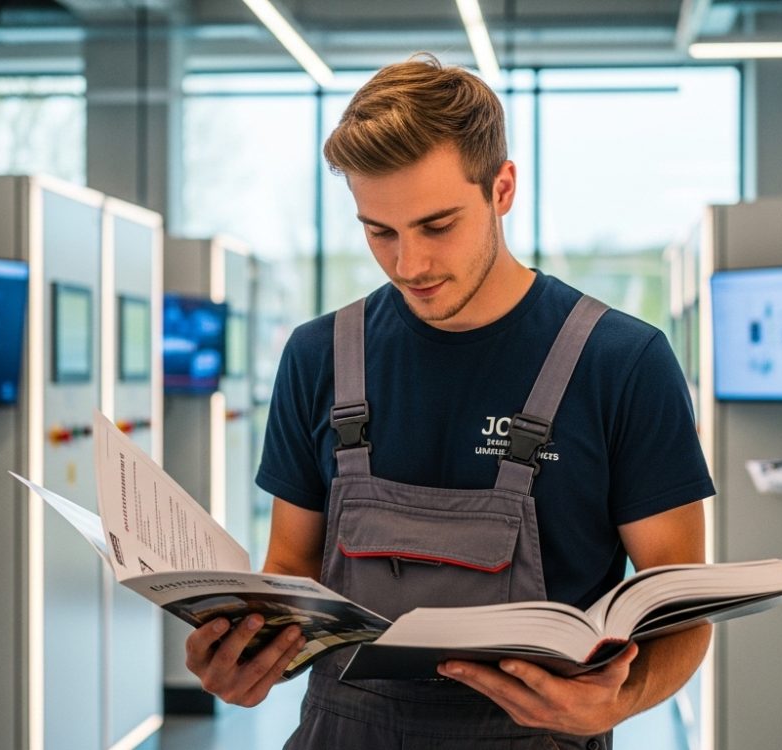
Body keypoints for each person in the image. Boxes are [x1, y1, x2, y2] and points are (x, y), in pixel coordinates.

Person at [185, 53, 716, 749]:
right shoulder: (318, 356)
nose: (409, 265)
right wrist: (247, 656)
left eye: (437, 226)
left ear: (502, 188)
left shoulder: (622, 363)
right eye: (379, 231)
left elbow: (679, 611)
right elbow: (290, 566)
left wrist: (615, 703)